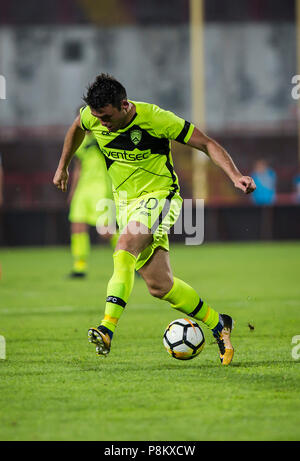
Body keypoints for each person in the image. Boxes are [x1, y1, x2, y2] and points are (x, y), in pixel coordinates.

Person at [53, 73, 256, 365]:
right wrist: (64, 166)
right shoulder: (92, 117)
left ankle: (107, 328)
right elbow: (76, 128)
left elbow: (207, 144)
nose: (102, 124)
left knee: (123, 246)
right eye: (97, 118)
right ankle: (219, 324)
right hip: (126, 206)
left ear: (124, 105)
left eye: (107, 117)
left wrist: (236, 176)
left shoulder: (155, 118)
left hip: (160, 198)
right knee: (160, 285)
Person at [67, 127, 117, 278]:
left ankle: (134, 261)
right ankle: (79, 267)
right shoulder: (79, 141)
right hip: (83, 189)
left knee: (106, 231)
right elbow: (78, 168)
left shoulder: (104, 136)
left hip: (101, 187)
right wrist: (73, 191)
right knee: (77, 226)